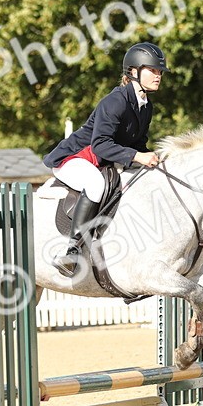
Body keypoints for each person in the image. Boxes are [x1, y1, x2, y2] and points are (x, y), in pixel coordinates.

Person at [43, 41, 167, 276]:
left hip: (103, 160)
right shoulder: (116, 101)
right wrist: (138, 156)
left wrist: (150, 158)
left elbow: (137, 144)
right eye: (152, 70)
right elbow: (100, 145)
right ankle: (72, 251)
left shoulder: (145, 105)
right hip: (76, 158)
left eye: (159, 72)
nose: (158, 76)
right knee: (95, 184)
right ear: (133, 72)